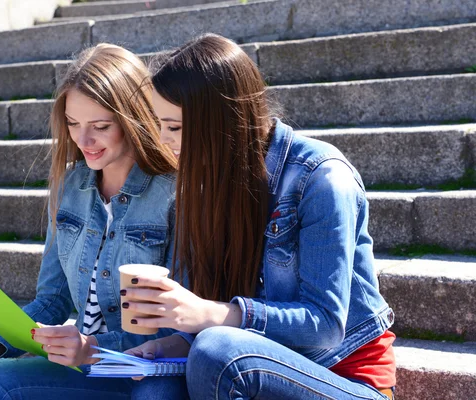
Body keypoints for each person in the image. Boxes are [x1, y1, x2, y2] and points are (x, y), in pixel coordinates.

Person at [124, 33, 396, 400]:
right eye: (160, 124)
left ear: (218, 122)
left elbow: (325, 326)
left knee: (217, 351)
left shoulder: (321, 177)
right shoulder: (207, 182)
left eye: (174, 127)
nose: (164, 140)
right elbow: (213, 322)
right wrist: (169, 346)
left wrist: (211, 314)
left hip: (344, 378)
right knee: (155, 387)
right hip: (252, 366)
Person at [0, 43, 182, 400]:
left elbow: (181, 325)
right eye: (73, 123)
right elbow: (51, 301)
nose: (83, 140)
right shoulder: (71, 186)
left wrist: (91, 345)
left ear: (134, 118)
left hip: (138, 366)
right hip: (82, 364)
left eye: (99, 125)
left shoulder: (174, 192)